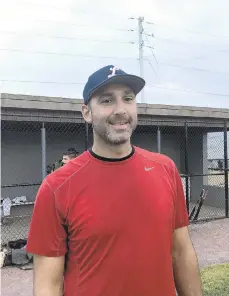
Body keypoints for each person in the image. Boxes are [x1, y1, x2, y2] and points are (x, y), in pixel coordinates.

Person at [26, 65, 202, 296]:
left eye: (128, 98)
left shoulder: (165, 169)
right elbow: (48, 285)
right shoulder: (56, 187)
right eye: (107, 101)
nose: (121, 110)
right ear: (86, 112)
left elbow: (181, 251)